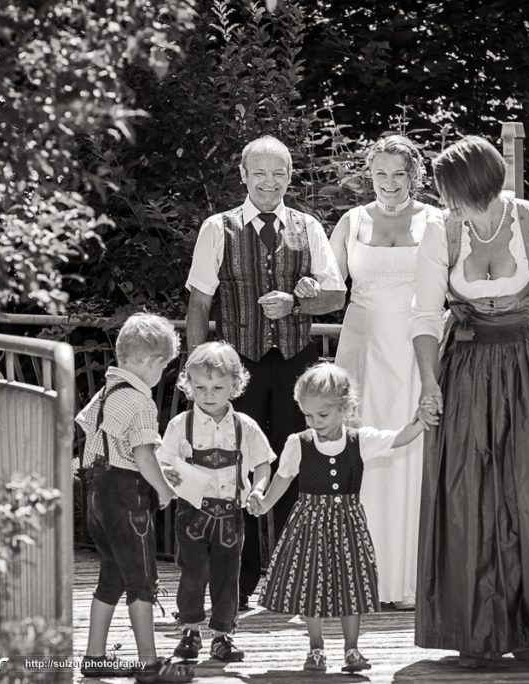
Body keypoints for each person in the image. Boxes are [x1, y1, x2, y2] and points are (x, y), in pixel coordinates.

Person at [411, 135, 529, 667]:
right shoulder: (439, 230)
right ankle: (472, 631)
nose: (448, 203)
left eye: (454, 193)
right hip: (465, 369)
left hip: (526, 367)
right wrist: (429, 383)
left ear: (479, 186)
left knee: (527, 492)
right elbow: (424, 317)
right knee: (467, 494)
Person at [185, 135, 346, 610]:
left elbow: (335, 297)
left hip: (296, 365)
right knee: (237, 468)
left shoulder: (309, 226)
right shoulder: (218, 228)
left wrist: (297, 302)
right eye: (260, 173)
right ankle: (238, 582)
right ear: (243, 175)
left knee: (299, 465)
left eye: (279, 174)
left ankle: (295, 579)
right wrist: (199, 372)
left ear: (290, 177)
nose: (270, 182)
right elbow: (199, 302)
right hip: (240, 366)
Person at [249, 363, 433, 673]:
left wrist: (420, 420)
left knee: (352, 585)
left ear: (345, 408)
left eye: (323, 415)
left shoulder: (360, 440)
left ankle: (352, 649)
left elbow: (400, 437)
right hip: (308, 523)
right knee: (310, 583)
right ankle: (316, 647)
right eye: (307, 415)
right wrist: (264, 502)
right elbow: (282, 477)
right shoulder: (298, 443)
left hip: (348, 524)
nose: (314, 422)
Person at [329, 134, 441, 610]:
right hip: (363, 350)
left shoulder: (437, 221)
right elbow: (330, 286)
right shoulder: (350, 222)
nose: (389, 183)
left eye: (400, 174)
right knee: (362, 456)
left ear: (415, 176)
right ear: (369, 174)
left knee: (413, 455)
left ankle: (412, 580)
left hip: (417, 353)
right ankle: (360, 578)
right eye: (381, 173)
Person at [76, 313, 192, 683]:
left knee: (110, 578)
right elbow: (141, 456)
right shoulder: (141, 402)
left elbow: (114, 447)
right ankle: (149, 662)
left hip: (97, 496)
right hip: (127, 502)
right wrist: (163, 488)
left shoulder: (107, 391)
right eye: (164, 367)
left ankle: (94, 656)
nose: (162, 375)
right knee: (142, 580)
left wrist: (157, 469)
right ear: (151, 362)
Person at [156, 342, 276, 664]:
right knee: (192, 573)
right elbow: (163, 464)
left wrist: (258, 491)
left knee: (228, 576)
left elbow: (263, 465)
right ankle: (190, 631)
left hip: (230, 516)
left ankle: (223, 637)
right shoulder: (181, 424)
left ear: (235, 386)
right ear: (188, 385)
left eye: (218, 387)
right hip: (192, 513)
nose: (208, 394)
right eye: (200, 387)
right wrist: (169, 477)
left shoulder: (245, 427)